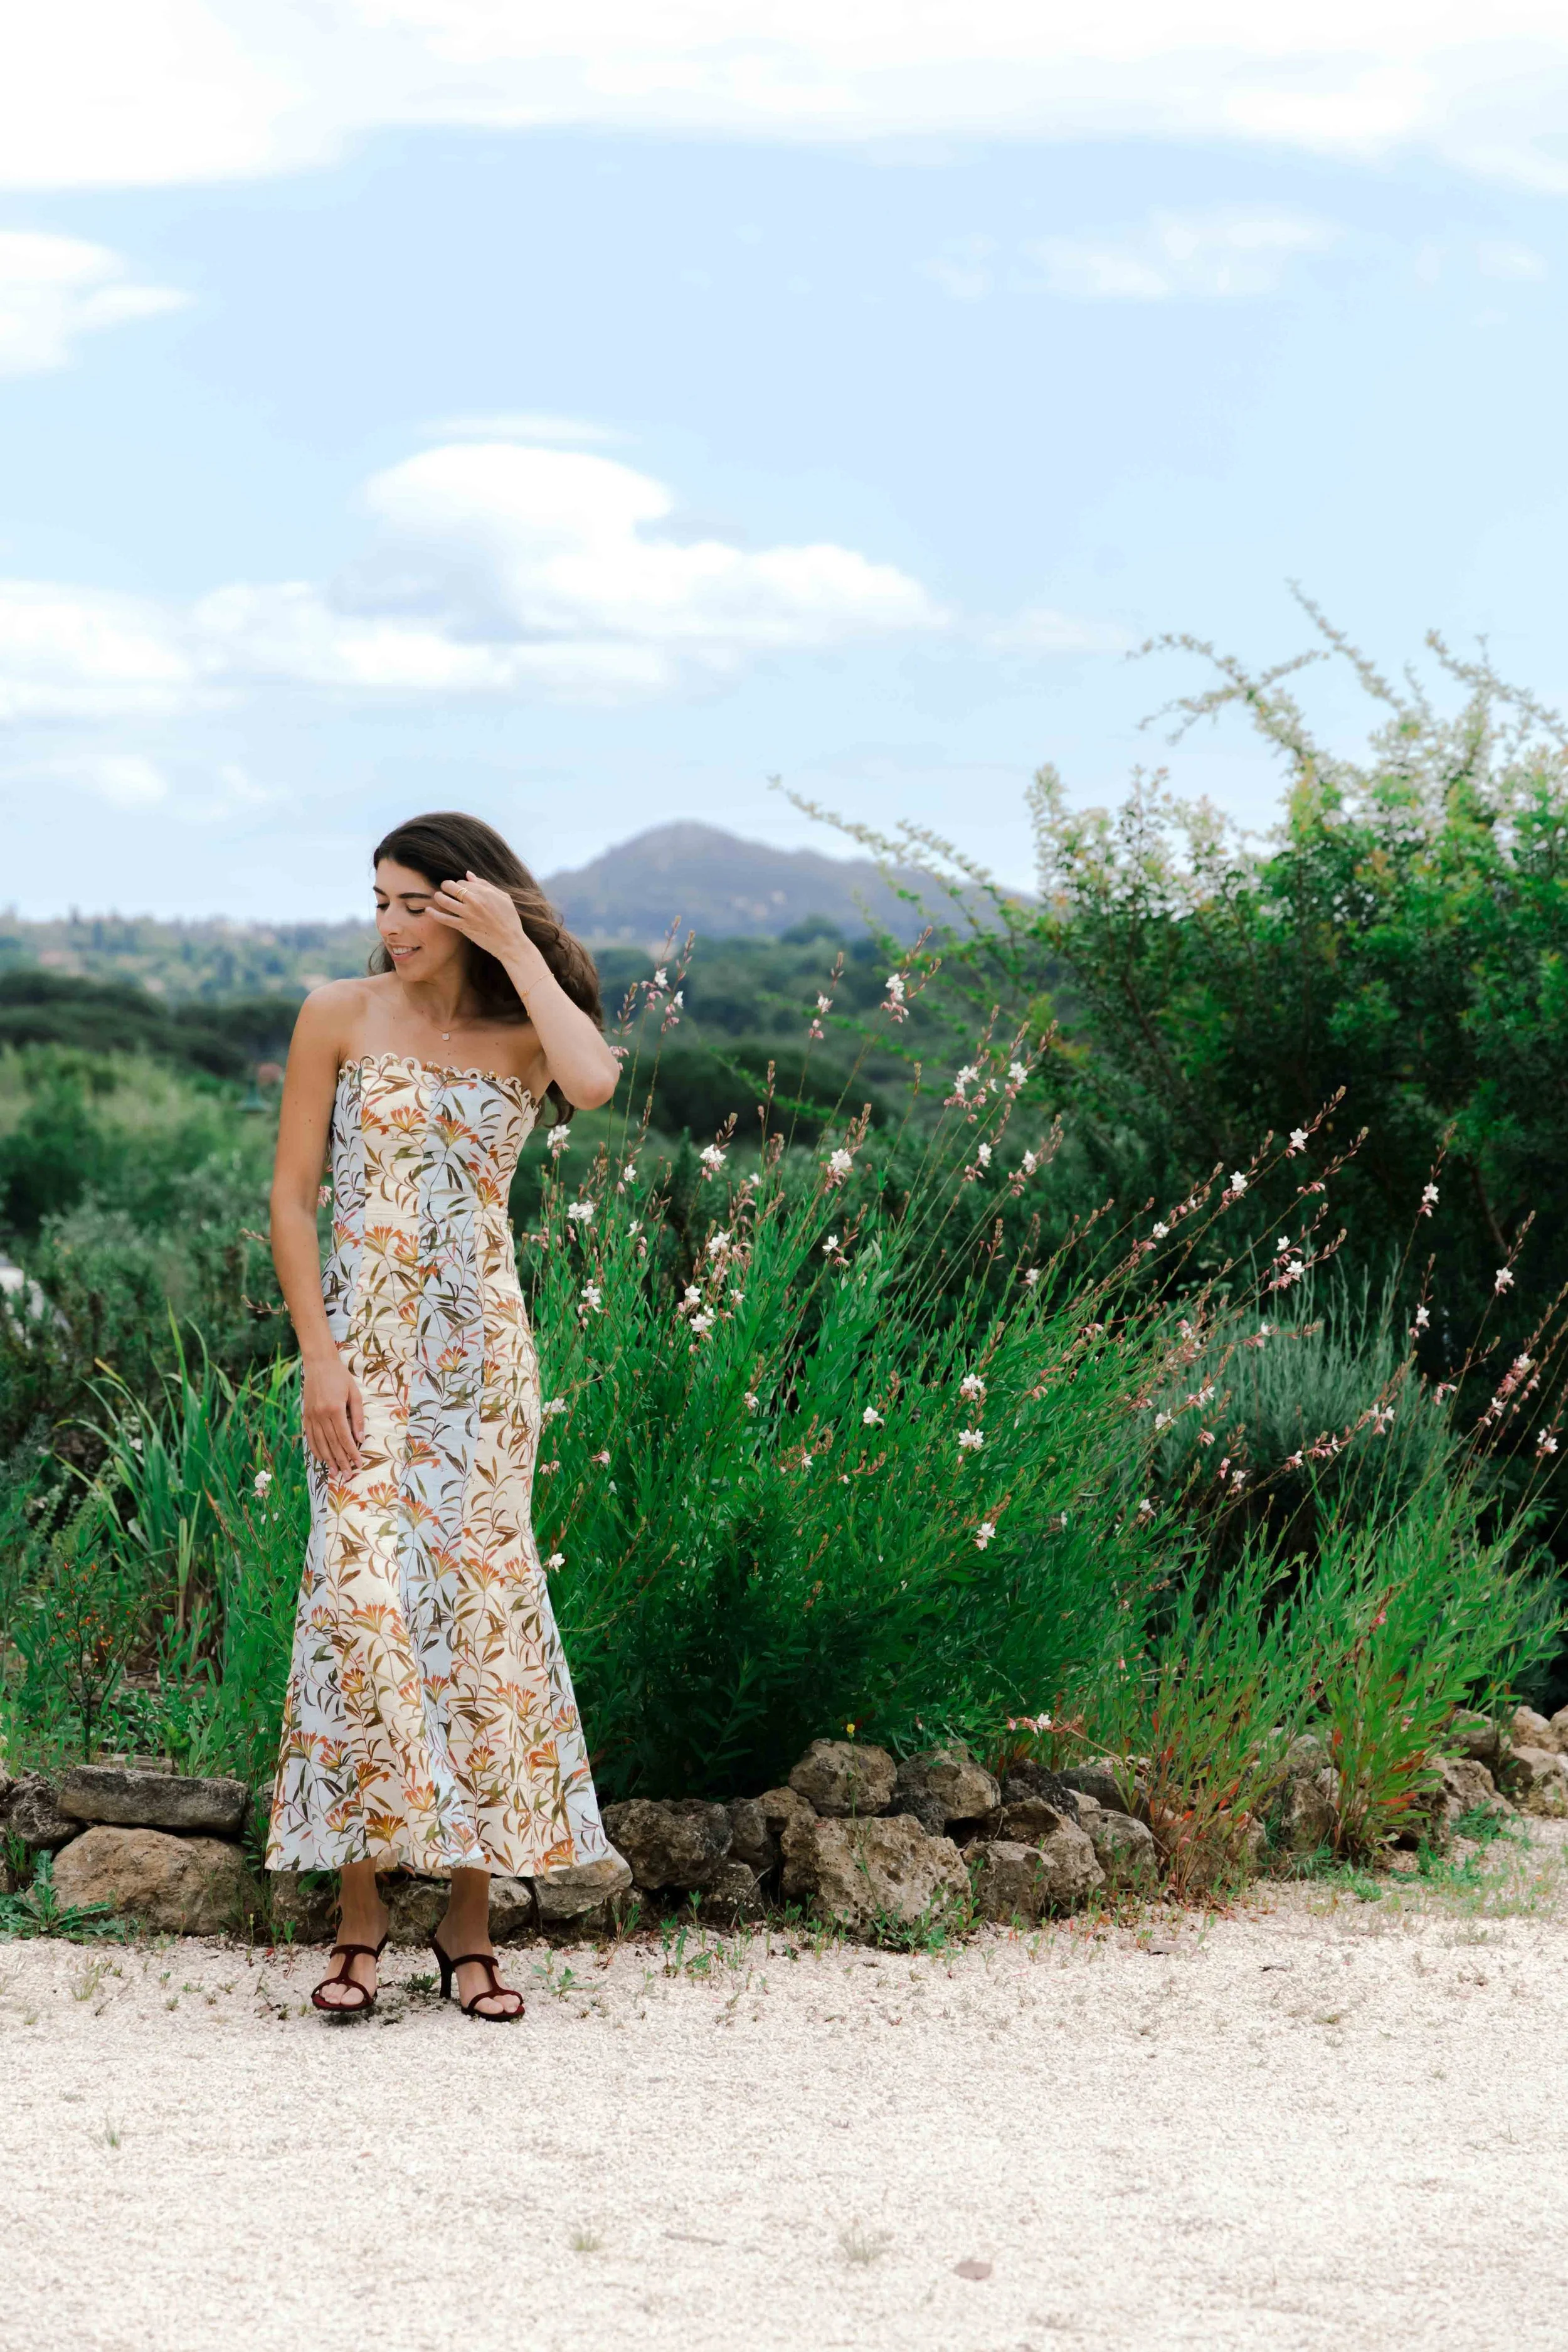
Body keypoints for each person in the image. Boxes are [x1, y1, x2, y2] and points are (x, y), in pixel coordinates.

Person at [264, 811, 622, 2020]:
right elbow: (293, 1198)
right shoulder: (338, 1013)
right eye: (380, 902)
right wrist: (318, 1356)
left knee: (475, 1622)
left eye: (416, 903)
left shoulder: (528, 1036)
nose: (392, 925)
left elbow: (595, 1079)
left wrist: (518, 948)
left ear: (471, 905)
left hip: (481, 1364)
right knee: (359, 1608)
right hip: (358, 1355)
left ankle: (467, 1929)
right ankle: (359, 1917)